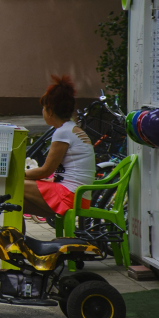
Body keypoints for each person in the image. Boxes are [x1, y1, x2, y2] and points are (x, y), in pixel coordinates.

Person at [23, 75, 96, 217]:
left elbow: (45, 171)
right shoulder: (71, 129)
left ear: (49, 110)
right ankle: (19, 238)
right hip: (78, 197)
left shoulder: (63, 133)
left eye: (43, 108)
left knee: (12, 185)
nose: (43, 112)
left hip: (71, 197)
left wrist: (19, 175)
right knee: (15, 204)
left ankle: (15, 238)